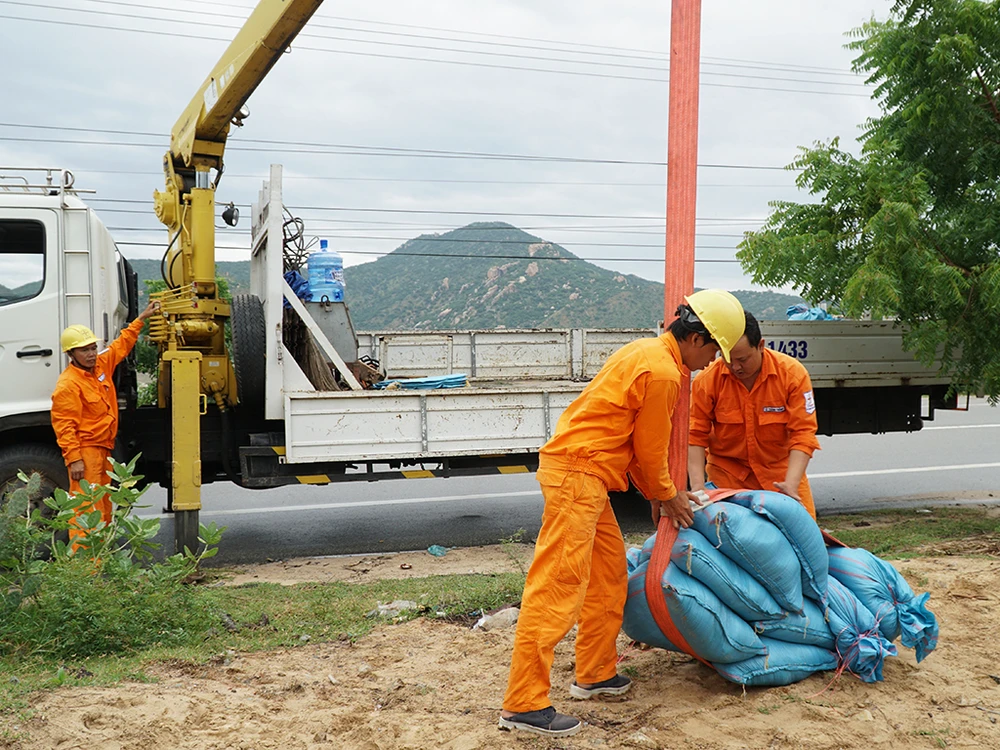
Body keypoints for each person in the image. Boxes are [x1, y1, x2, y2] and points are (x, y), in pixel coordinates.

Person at [498, 289, 746, 738]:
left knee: (608, 575)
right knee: (558, 586)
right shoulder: (665, 372)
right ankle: (523, 704)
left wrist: (658, 491)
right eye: (714, 350)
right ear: (697, 338)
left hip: (589, 476)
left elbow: (629, 438)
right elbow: (651, 452)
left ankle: (594, 674)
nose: (713, 362)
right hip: (578, 476)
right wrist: (668, 495)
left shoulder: (646, 352)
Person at [688, 310, 821, 518]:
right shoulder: (706, 381)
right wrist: (698, 488)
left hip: (781, 478)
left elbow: (803, 434)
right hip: (728, 479)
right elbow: (695, 436)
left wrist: (791, 486)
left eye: (742, 359)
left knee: (805, 540)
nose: (735, 367)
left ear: (761, 345)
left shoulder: (792, 375)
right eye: (727, 359)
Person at [51, 301, 160, 546]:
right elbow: (64, 425)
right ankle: (84, 567)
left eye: (92, 348)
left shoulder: (101, 365)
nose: (91, 354)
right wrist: (74, 458)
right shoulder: (68, 385)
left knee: (103, 505)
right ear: (71, 354)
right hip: (87, 452)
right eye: (84, 350)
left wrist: (141, 317)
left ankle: (100, 558)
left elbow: (122, 345)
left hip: (103, 448)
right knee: (85, 509)